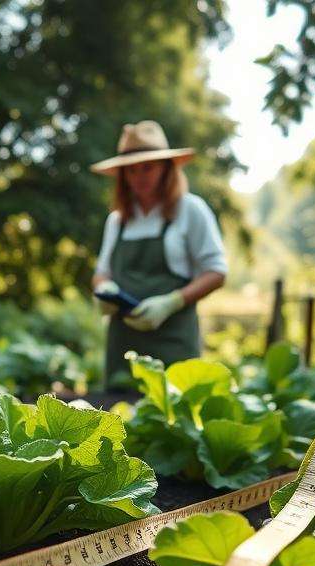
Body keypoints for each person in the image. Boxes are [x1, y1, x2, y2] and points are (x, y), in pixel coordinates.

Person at [90, 120, 227, 388]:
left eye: (147, 168)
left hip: (173, 347)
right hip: (123, 350)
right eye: (130, 170)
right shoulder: (117, 221)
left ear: (167, 169)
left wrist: (172, 302)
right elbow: (101, 272)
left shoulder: (191, 210)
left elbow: (217, 272)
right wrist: (104, 288)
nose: (139, 176)